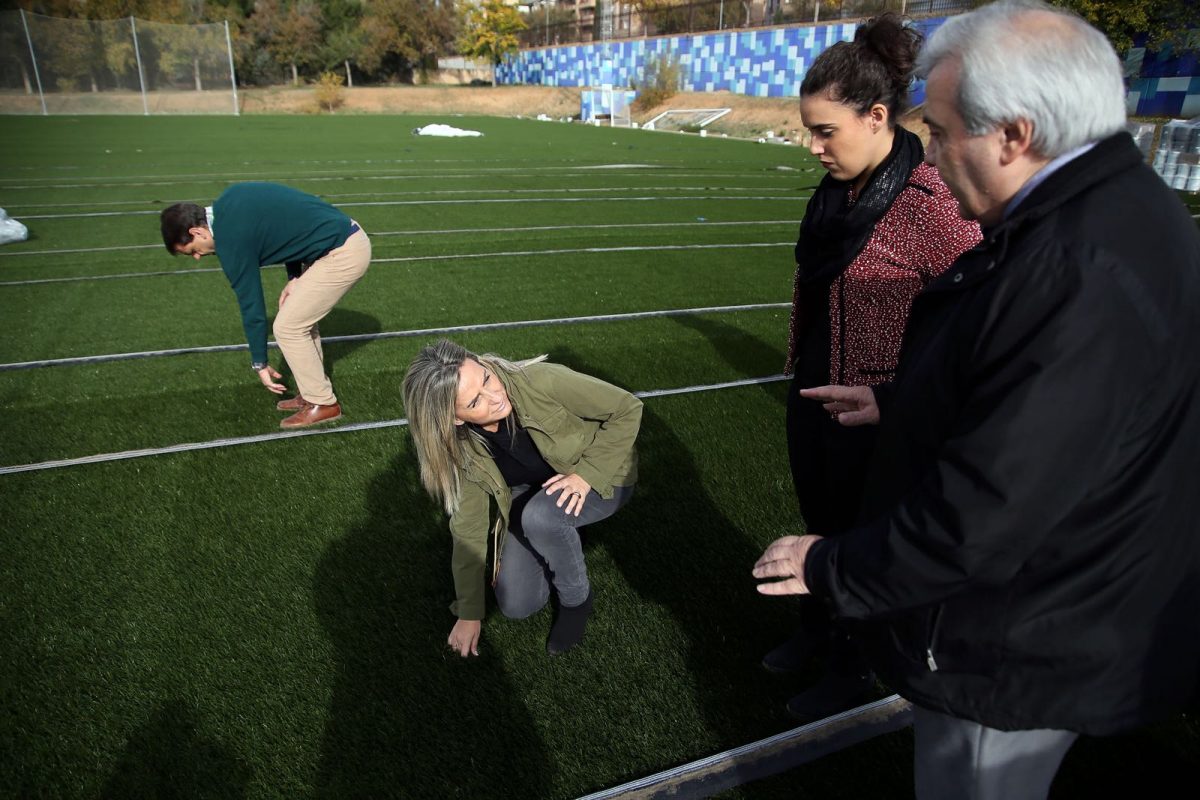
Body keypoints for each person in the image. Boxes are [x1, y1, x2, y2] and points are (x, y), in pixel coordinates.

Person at [754, 2, 1200, 798]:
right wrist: (898, 400)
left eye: (944, 128)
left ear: (1013, 135)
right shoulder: (1099, 221)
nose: (933, 152)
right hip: (1031, 612)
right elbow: (1027, 394)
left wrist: (831, 563)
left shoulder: (1080, 265)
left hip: (1020, 639)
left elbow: (990, 507)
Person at [771, 12, 980, 720]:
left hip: (878, 408)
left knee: (866, 539)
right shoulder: (836, 195)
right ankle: (819, 628)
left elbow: (976, 311)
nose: (813, 146)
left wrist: (895, 393)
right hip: (814, 388)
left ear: (879, 116)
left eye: (826, 130)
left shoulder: (930, 204)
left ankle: (856, 662)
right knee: (823, 522)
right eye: (810, 129)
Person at [402, 340, 642, 657]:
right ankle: (561, 530)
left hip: (603, 475)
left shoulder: (542, 380)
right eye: (475, 402)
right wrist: (469, 611)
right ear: (456, 418)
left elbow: (627, 407)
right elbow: (469, 528)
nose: (495, 397)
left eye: (487, 379)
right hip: (533, 491)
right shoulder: (461, 449)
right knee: (517, 604)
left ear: (482, 363)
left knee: (540, 518)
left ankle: (577, 602)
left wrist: (586, 475)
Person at [160, 182, 371, 429]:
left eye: (191, 251)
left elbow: (251, 304)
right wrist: (294, 278)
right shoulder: (229, 201)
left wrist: (259, 362)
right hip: (338, 240)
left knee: (288, 327)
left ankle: (323, 404)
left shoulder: (230, 240)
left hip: (343, 251)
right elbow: (287, 225)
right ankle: (312, 391)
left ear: (198, 232)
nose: (197, 257)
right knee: (298, 318)